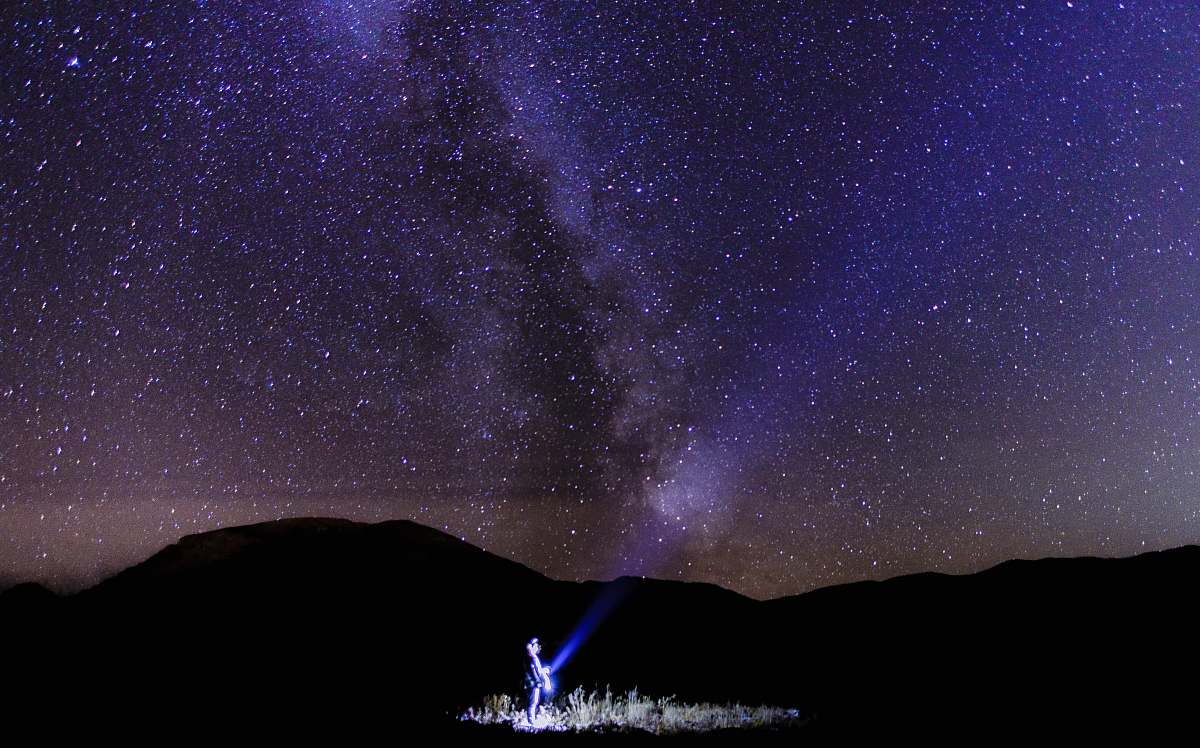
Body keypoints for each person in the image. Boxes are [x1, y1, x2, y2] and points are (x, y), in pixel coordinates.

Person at [524, 637, 552, 726]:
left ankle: (531, 719)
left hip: (529, 684)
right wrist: (546, 672)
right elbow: (539, 671)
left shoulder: (528, 658)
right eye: (536, 646)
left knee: (532, 701)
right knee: (534, 701)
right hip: (533, 684)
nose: (539, 648)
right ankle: (531, 721)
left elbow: (536, 670)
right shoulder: (534, 657)